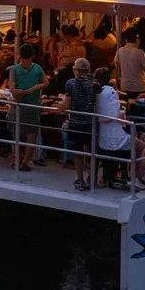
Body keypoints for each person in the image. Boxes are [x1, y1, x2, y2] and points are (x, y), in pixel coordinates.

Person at [60, 58, 99, 191]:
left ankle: (80, 178)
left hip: (76, 122)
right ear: (88, 71)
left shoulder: (70, 83)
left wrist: (61, 104)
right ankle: (92, 179)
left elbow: (66, 105)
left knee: (77, 152)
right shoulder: (95, 84)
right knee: (92, 153)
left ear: (75, 70)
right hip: (91, 123)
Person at [9, 43, 47, 172]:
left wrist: (22, 92)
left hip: (18, 106)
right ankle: (25, 162)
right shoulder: (37, 68)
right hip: (32, 105)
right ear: (33, 56)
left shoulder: (14, 69)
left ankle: (17, 160)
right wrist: (34, 88)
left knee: (17, 134)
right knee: (31, 134)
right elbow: (46, 82)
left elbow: (12, 89)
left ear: (19, 55)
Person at [114, 28, 145, 98]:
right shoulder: (140, 52)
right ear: (137, 39)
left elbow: (116, 66)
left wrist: (119, 81)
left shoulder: (120, 51)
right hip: (140, 87)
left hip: (125, 86)